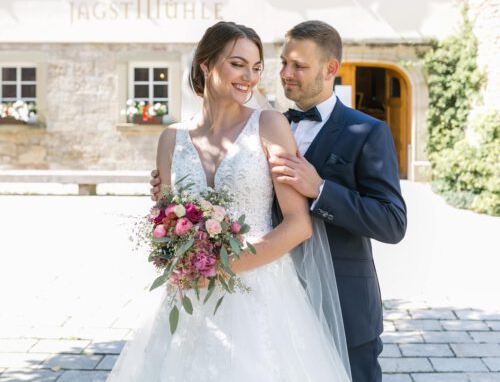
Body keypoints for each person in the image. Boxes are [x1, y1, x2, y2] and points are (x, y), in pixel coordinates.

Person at [151, 20, 407, 382]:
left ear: (329, 69)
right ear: (206, 65)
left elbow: (392, 221)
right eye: (282, 63)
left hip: (341, 300)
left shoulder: (367, 131)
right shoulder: (267, 124)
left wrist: (321, 190)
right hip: (264, 293)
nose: (284, 74)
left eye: (298, 66)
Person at [108, 21, 351, 382]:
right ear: (205, 64)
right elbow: (162, 225)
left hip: (260, 291)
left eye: (256, 68)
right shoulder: (170, 138)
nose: (249, 78)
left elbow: (298, 224)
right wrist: (172, 242)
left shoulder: (269, 125)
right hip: (188, 294)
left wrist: (223, 267)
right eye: (238, 64)